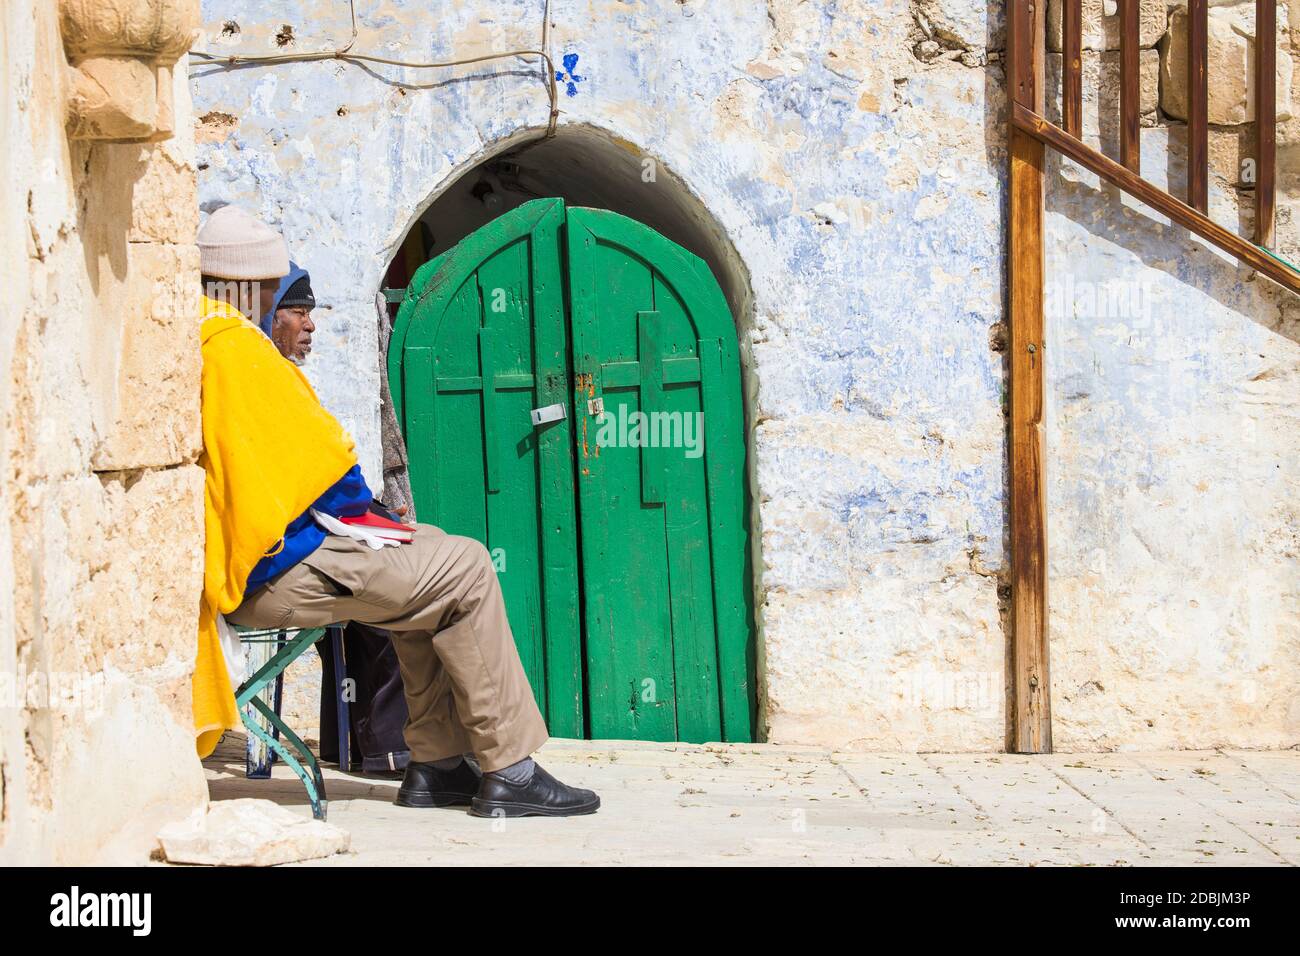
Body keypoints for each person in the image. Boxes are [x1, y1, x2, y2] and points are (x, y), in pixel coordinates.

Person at [193, 205, 599, 817]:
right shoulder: (236, 350)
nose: (285, 302)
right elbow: (322, 465)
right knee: (463, 566)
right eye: (278, 288)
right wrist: (363, 513)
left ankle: (437, 767)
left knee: (423, 546)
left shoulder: (200, 333)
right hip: (272, 570)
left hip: (256, 561)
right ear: (251, 284)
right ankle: (509, 769)